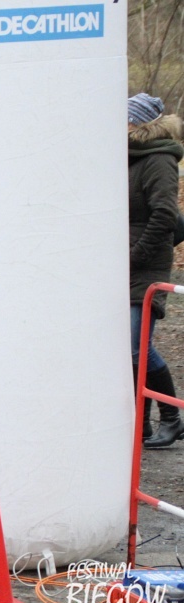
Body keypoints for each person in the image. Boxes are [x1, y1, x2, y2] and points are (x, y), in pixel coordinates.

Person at [128, 93, 184, 448]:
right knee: (128, 350)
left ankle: (172, 417)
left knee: (138, 348)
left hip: (144, 266)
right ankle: (141, 425)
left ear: (138, 122)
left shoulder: (159, 158)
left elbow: (165, 214)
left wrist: (135, 256)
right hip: (125, 266)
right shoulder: (129, 156)